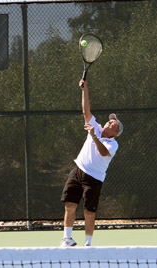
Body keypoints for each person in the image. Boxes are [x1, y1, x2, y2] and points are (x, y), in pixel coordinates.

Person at [60, 79, 123, 247]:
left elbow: (102, 152)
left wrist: (94, 136)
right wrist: (84, 89)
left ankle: (87, 244)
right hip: (78, 171)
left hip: (93, 178)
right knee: (70, 204)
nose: (109, 122)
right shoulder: (95, 125)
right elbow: (85, 110)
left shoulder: (113, 144)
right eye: (110, 120)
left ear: (115, 132)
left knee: (89, 211)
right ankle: (67, 238)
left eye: (113, 123)